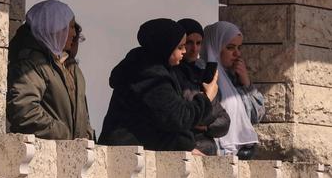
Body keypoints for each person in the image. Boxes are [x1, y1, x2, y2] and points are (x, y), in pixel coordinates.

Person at [98, 18, 218, 153]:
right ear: (165, 47)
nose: (184, 51)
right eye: (180, 47)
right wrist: (206, 98)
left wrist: (187, 146)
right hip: (127, 156)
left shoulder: (161, 70)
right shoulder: (148, 74)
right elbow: (178, 117)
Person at [7, 0, 94, 140]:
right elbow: (23, 110)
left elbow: (84, 116)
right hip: (42, 156)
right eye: (69, 27)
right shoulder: (31, 64)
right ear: (52, 27)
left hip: (73, 155)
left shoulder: (72, 69)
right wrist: (64, 134)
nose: (73, 33)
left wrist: (87, 137)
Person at [201, 21, 265, 159]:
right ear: (216, 47)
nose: (237, 53)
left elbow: (256, 115)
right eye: (230, 47)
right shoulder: (203, 76)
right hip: (218, 152)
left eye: (238, 47)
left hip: (241, 153)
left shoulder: (232, 79)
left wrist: (246, 82)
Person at [174, 18, 230, 155]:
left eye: (198, 43)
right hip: (187, 148)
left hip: (207, 149)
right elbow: (191, 115)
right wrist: (204, 112)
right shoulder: (174, 75)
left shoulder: (202, 74)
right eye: (189, 43)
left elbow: (224, 122)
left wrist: (205, 126)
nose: (194, 49)